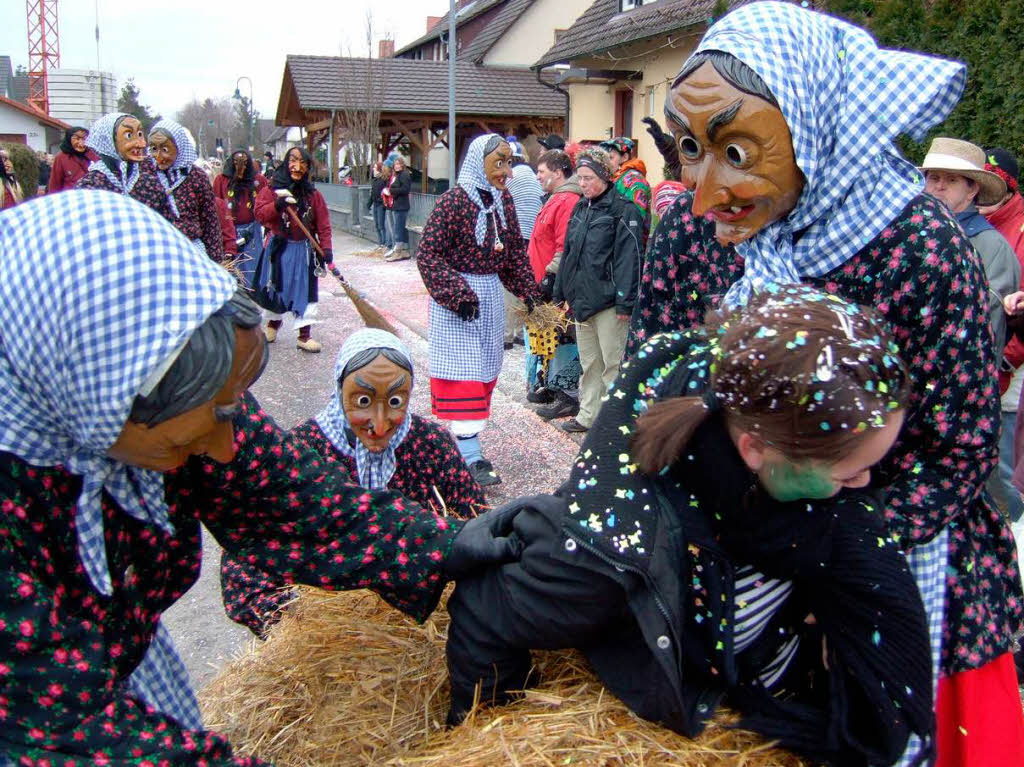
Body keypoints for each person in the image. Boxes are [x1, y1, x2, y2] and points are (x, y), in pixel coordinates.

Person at [624, 5, 1024, 764]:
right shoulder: (689, 232)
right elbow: (659, 383)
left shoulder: (916, 246)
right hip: (730, 552)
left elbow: (960, 447)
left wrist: (826, 553)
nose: (703, 193)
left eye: (736, 150)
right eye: (686, 148)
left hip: (890, 564)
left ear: (812, 130)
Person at [0, 190, 520, 763]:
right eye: (189, 439)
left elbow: (293, 501)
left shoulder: (175, 392)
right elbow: (66, 732)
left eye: (232, 411)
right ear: (94, 396)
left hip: (124, 681)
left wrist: (444, 544)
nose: (224, 450)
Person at [447, 286, 937, 767]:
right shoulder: (616, 545)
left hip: (773, 701)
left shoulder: (810, 476)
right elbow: (483, 610)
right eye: (847, 473)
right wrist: (501, 730)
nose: (865, 485)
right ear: (754, 450)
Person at [220, 328, 486, 637]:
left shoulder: (431, 444)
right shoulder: (301, 454)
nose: (380, 422)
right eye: (362, 400)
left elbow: (475, 522)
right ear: (338, 389)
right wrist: (316, 626)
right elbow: (245, 578)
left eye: (396, 400)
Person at [416, 134, 542, 487]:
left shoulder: (504, 204)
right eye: (499, 163)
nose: (507, 172)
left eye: (508, 163)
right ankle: (471, 455)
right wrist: (457, 294)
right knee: (466, 373)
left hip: (488, 297)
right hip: (458, 302)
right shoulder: (453, 203)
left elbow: (514, 254)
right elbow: (428, 254)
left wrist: (528, 293)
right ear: (478, 163)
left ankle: (464, 443)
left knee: (486, 368)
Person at [553, 146, 645, 434]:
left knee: (613, 365)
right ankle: (588, 415)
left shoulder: (624, 209)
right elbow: (569, 253)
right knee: (590, 363)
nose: (583, 184)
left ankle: (614, 423)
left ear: (605, 176)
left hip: (609, 302)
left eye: (589, 178)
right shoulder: (581, 207)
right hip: (582, 300)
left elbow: (630, 259)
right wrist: (559, 292)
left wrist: (625, 303)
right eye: (580, 178)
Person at [921, 137, 1019, 355]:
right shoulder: (910, 234)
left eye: (952, 180)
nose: (939, 186)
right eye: (933, 177)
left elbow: (990, 326)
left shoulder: (992, 246)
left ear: (972, 189)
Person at [979, 148, 1024, 523]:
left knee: (1011, 458)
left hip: (1013, 355)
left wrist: (1008, 355)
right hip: (991, 353)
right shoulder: (977, 223)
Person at [254, 146, 332, 353]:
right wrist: (276, 206)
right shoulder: (271, 190)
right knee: (275, 288)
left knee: (305, 292)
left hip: (304, 252)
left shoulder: (313, 195)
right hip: (278, 249)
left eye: (303, 163)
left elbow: (323, 224)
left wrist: (326, 249)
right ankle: (272, 326)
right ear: (286, 162)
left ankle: (304, 336)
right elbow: (260, 214)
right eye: (293, 161)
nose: (298, 167)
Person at [528, 148, 583, 419]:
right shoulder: (555, 198)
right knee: (549, 337)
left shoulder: (567, 200)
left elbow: (565, 245)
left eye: (541, 171)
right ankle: (551, 387)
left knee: (562, 338)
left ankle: (567, 395)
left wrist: (550, 276)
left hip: (558, 285)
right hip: (544, 281)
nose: (537, 176)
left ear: (559, 172)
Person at [75, 112, 176, 223]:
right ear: (108, 141)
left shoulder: (149, 184)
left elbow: (166, 226)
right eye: (129, 135)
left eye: (140, 134)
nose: (142, 144)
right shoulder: (90, 187)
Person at [148, 119, 224, 262]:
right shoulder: (144, 176)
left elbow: (210, 223)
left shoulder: (196, 177)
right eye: (153, 149)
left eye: (165, 150)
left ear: (179, 147)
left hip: (190, 254)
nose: (158, 156)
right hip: (155, 256)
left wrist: (216, 263)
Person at [213, 149, 268, 286]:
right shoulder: (221, 180)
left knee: (252, 270)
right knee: (230, 270)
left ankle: (253, 299)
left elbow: (265, 203)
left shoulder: (259, 180)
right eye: (237, 163)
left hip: (252, 230)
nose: (240, 168)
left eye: (244, 164)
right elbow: (216, 206)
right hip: (229, 231)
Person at [599, 136, 651, 223]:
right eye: (605, 159)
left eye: (611, 158)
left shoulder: (635, 181)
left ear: (625, 157)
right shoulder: (615, 177)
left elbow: (634, 218)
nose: (606, 163)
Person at [48, 125, 98, 193]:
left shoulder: (93, 155)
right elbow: (55, 184)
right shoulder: (61, 157)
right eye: (77, 139)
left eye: (84, 139)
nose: (81, 143)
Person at [384, 155, 412, 262]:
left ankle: (399, 251)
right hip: (398, 205)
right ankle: (404, 250)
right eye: (395, 164)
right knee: (400, 228)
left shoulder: (404, 175)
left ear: (402, 165)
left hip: (402, 206)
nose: (396, 166)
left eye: (398, 164)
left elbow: (405, 189)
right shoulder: (398, 175)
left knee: (398, 229)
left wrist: (391, 191)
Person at [368, 160, 389, 252]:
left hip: (381, 204)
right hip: (375, 204)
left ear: (379, 169)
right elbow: (373, 193)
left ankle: (384, 243)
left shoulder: (383, 180)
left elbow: (385, 192)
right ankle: (380, 242)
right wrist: (369, 203)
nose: (373, 169)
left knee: (381, 224)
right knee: (377, 225)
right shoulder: (375, 180)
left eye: (374, 167)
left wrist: (382, 200)